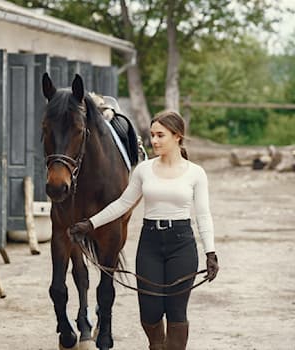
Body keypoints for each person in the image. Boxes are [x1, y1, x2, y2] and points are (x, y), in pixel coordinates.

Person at [68, 110, 219, 350]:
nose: (154, 141)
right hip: (150, 243)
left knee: (176, 311)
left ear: (177, 136)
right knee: (150, 311)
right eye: (152, 135)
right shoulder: (144, 170)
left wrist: (211, 253)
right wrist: (90, 224)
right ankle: (156, 345)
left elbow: (203, 215)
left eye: (161, 135)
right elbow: (123, 203)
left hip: (181, 244)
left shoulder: (195, 173)